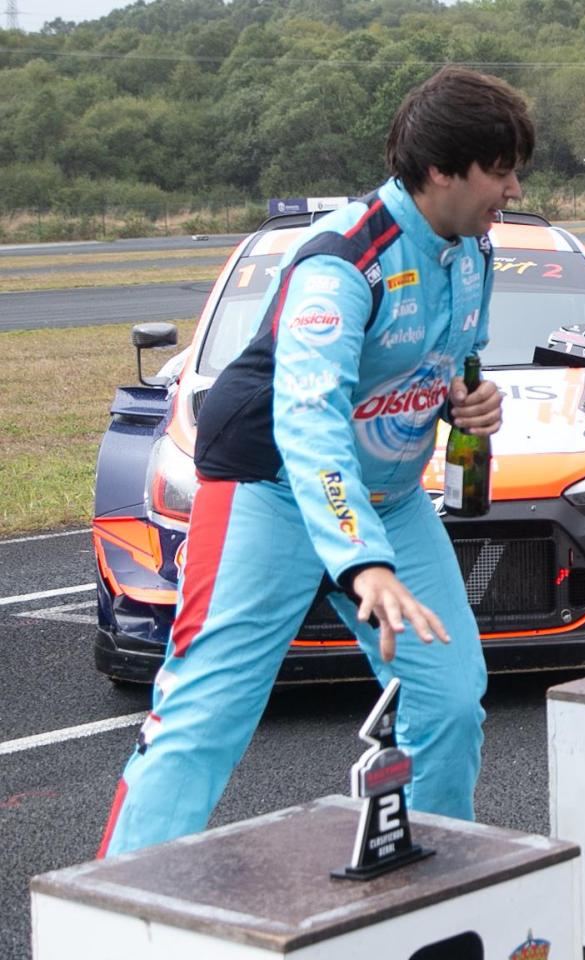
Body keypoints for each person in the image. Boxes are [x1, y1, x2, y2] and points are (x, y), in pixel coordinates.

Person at [98, 66, 533, 858]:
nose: (511, 187)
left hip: (391, 499)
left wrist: (468, 403)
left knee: (449, 700)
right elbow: (310, 420)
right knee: (209, 712)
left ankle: (435, 882)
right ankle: (119, 914)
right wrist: (362, 562)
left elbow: (444, 366)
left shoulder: (475, 251)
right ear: (440, 170)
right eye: (499, 170)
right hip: (270, 489)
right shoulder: (339, 257)